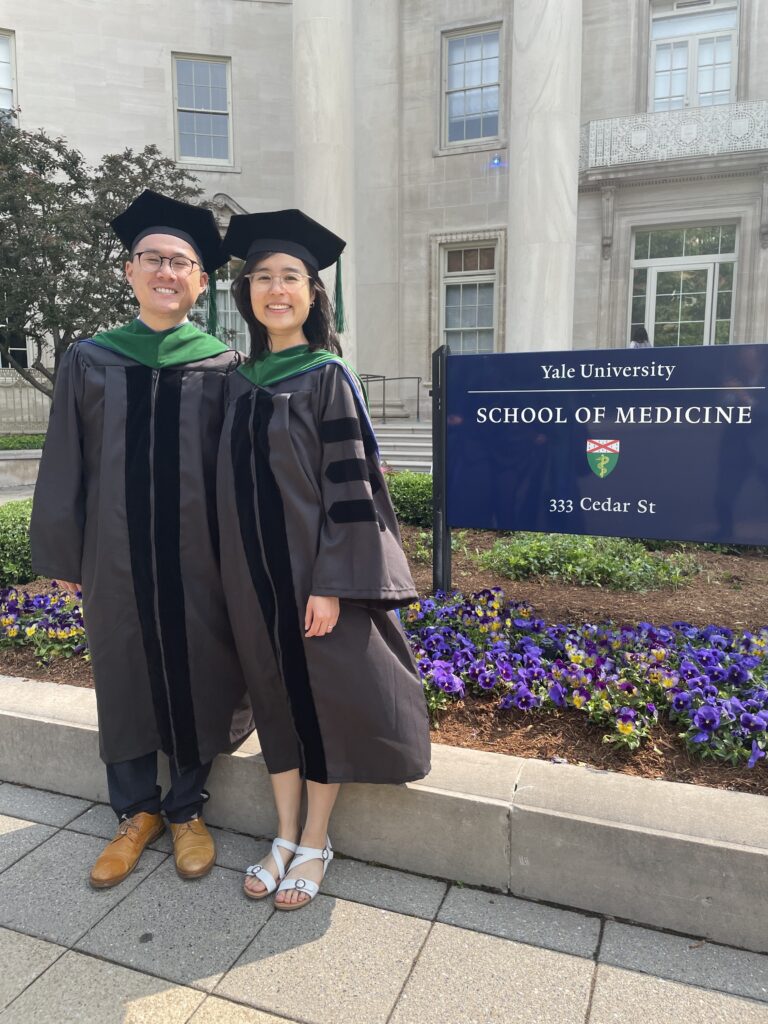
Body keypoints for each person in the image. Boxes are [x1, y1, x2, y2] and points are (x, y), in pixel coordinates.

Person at [30, 190, 253, 889]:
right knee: (122, 669)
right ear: (130, 271)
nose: (166, 271)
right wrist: (65, 553)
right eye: (153, 259)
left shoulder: (223, 366)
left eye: (180, 262)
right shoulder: (90, 359)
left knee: (199, 666)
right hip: (115, 553)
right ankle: (135, 812)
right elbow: (64, 457)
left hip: (199, 556)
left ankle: (186, 808)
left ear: (200, 280)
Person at [216, 209, 430, 911]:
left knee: (318, 704)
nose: (276, 290)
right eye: (262, 278)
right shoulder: (238, 381)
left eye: (291, 278)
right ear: (246, 293)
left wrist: (334, 583)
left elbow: (354, 488)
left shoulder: (326, 377)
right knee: (275, 701)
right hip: (252, 580)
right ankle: (281, 834)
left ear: (313, 293)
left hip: (310, 579)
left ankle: (315, 839)